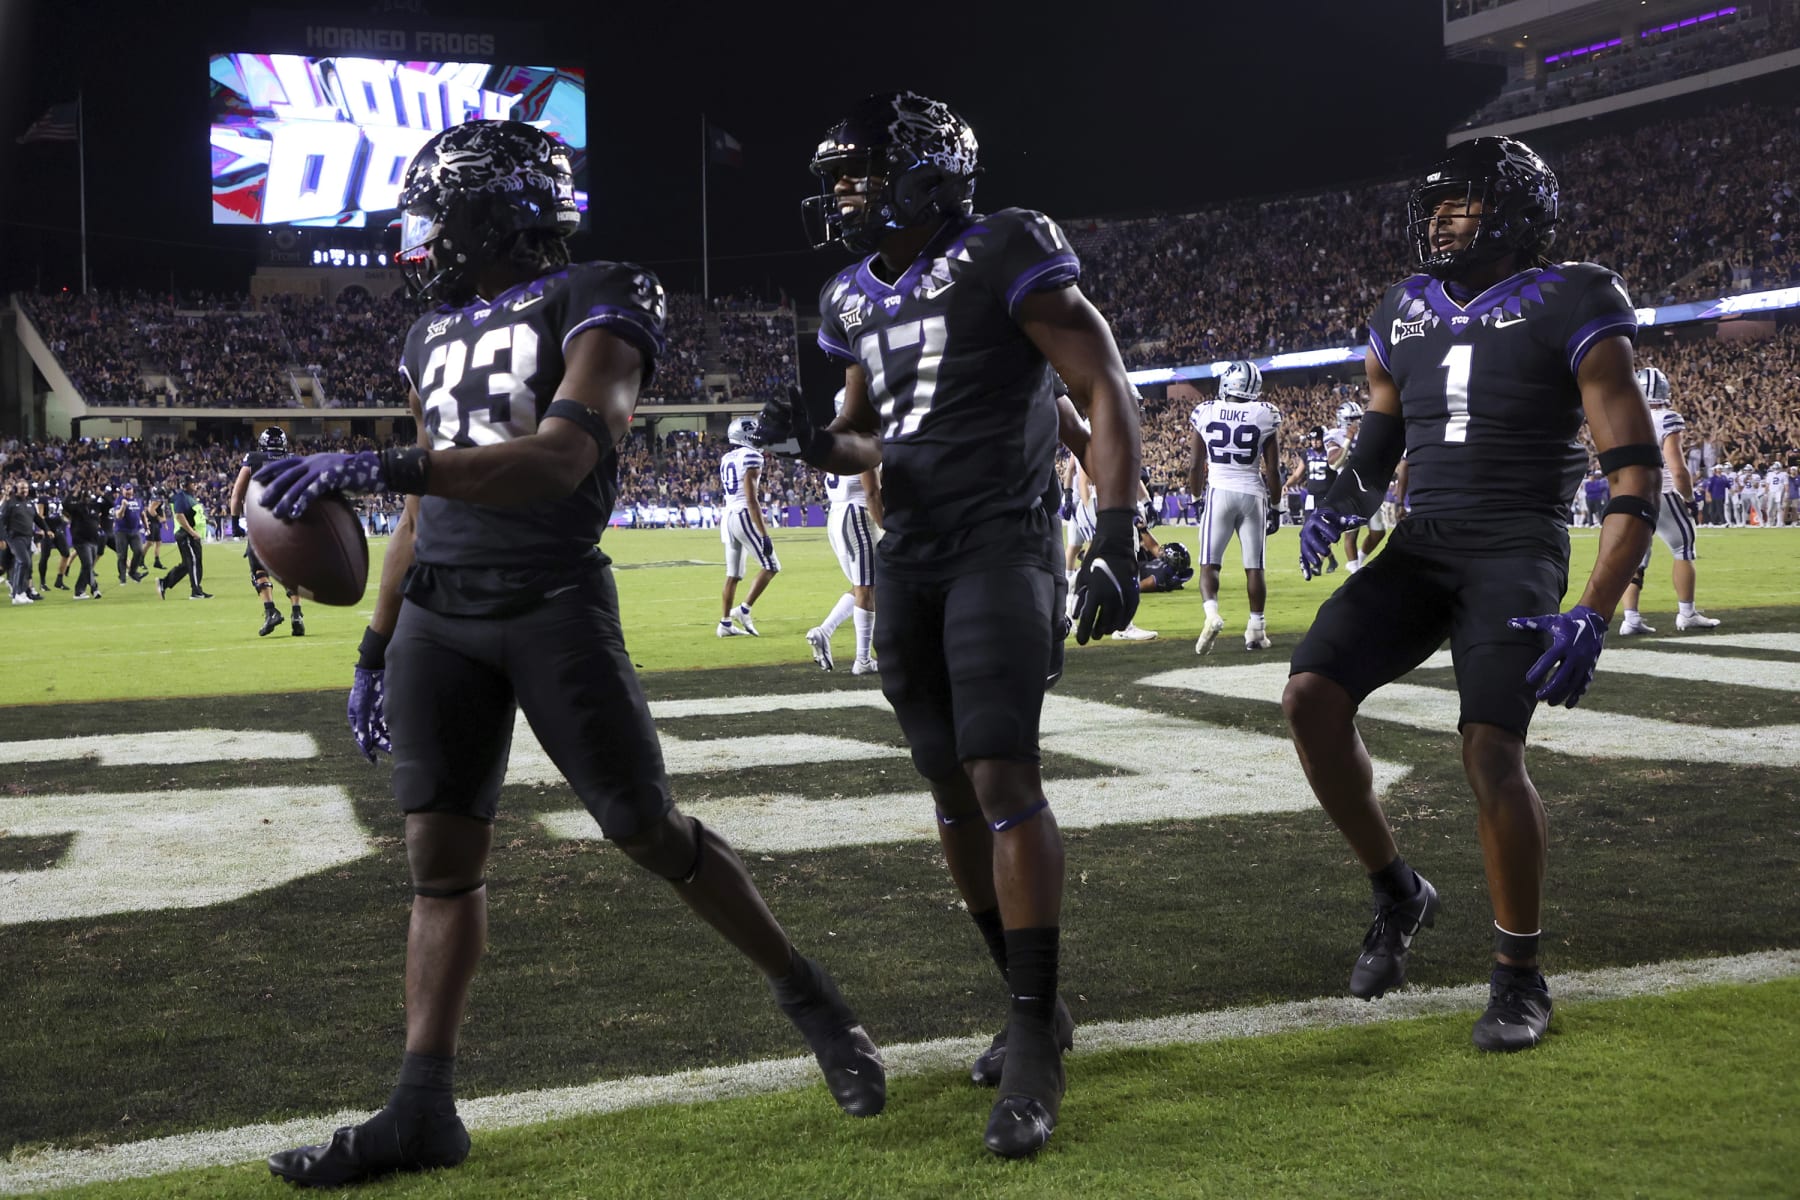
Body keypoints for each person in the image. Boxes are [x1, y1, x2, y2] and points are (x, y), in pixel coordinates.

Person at [252, 120, 884, 1189]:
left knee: (647, 830)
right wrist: (372, 645)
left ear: (499, 209)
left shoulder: (604, 290)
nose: (429, 233)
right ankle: (422, 1107)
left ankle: (818, 1009)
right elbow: (412, 519)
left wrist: (379, 462)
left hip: (550, 599)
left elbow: (561, 457)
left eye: (446, 210)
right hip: (443, 617)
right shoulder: (427, 331)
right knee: (439, 869)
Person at [760, 91, 1141, 1157]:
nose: (840, 197)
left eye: (857, 176)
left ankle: (1031, 1037)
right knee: (945, 783)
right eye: (835, 180)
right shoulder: (848, 295)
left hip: (1002, 544)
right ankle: (1031, 1001)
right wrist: (813, 442)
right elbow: (860, 441)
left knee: (1002, 775)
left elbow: (1100, 382)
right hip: (913, 555)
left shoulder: (1007, 246)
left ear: (922, 169)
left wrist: (1115, 530)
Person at [1283, 136, 1659, 1053]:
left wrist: (1593, 608)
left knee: (1490, 747)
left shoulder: (1577, 297)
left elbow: (1635, 473)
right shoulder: (1400, 307)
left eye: (1463, 204)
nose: (1441, 219)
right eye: (1437, 204)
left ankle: (1520, 976)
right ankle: (1396, 890)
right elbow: (1380, 438)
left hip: (1515, 544)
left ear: (1517, 212)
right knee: (1309, 697)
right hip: (1425, 543)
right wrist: (1340, 496)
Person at [1186, 359, 1281, 653]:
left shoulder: (1207, 411)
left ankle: (1212, 615)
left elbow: (1194, 467)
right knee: (1255, 567)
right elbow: (1274, 471)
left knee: (1209, 563)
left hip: (1219, 490)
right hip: (1253, 494)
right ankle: (1256, 630)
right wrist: (1276, 507)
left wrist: (1196, 499)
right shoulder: (1265, 414)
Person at [1616, 366, 1717, 635]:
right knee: (1683, 548)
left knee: (1637, 556)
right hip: (1661, 492)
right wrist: (1688, 498)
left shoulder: (1624, 416)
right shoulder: (1666, 417)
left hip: (1629, 493)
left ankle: (1630, 619)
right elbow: (1677, 466)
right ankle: (1687, 614)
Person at [807, 392, 882, 674]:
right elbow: (872, 492)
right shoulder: (859, 436)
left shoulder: (835, 436)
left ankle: (824, 631)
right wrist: (887, 525)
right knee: (866, 588)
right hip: (857, 515)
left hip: (838, 515)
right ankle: (862, 659)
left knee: (863, 586)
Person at [229, 427, 307, 636]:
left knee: (259, 568)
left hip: (261, 522)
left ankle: (270, 610)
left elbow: (237, 493)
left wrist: (235, 521)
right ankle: (297, 613)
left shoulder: (254, 459)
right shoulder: (294, 460)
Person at [716, 416, 779, 638]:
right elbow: (752, 500)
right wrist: (764, 534)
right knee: (771, 565)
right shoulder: (752, 456)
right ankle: (743, 610)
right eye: (753, 432)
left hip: (728, 515)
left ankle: (724, 623)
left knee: (733, 574)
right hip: (743, 513)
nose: (758, 436)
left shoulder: (727, 457)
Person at [1285, 426, 1338, 572]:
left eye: (1317, 439)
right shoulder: (1306, 454)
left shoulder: (1331, 454)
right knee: (1309, 531)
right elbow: (1297, 475)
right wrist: (1287, 485)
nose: (1314, 442)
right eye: (1312, 439)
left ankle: (1318, 564)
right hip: (1311, 497)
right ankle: (1331, 560)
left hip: (1327, 498)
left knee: (1321, 531)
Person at [156, 476, 212, 600]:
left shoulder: (190, 497)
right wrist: (191, 532)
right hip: (185, 534)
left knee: (188, 564)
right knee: (193, 562)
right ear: (186, 485)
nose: (195, 485)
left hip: (191, 534)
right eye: (192, 483)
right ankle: (196, 591)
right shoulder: (181, 497)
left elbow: (193, 515)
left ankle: (164, 583)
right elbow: (179, 516)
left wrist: (208, 522)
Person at [1325, 400, 1366, 571]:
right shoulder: (1335, 434)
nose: (1357, 422)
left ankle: (1357, 564)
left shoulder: (1366, 434)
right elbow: (1334, 464)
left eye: (1359, 418)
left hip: (1367, 488)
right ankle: (1354, 570)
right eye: (1353, 418)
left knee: (1379, 531)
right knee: (1352, 533)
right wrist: (1348, 440)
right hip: (1350, 490)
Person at [65, 491, 105, 600]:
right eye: (85, 496)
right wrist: (74, 491)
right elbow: (65, 504)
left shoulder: (95, 507)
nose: (87, 498)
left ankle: (79, 591)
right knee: (87, 564)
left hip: (93, 540)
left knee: (87, 566)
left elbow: (110, 504)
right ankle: (94, 588)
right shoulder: (76, 508)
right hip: (80, 541)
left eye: (88, 496)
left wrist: (102, 493)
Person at [3, 479, 37, 603]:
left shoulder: (29, 502)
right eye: (22, 488)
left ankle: (20, 592)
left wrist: (46, 529)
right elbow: (1, 520)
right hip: (14, 538)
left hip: (27, 537)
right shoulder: (10, 503)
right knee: (23, 562)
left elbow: (36, 518)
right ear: (17, 489)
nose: (24, 491)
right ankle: (16, 593)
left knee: (24, 564)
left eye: (26, 488)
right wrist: (2, 538)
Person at [36, 483, 73, 592]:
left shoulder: (58, 499)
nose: (56, 490)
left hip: (58, 529)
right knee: (45, 556)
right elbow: (40, 515)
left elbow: (60, 514)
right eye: (54, 488)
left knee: (66, 553)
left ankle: (59, 581)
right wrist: (45, 529)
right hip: (48, 530)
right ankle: (42, 583)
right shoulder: (43, 499)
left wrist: (69, 520)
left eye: (56, 488)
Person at [112, 481, 148, 584]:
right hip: (121, 531)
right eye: (126, 489)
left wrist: (147, 526)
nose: (128, 491)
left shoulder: (138, 500)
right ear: (122, 490)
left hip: (135, 530)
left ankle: (132, 572)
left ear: (133, 490)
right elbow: (118, 516)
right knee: (122, 555)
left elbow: (142, 514)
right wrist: (123, 506)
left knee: (139, 551)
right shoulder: (119, 500)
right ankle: (122, 576)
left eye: (130, 489)